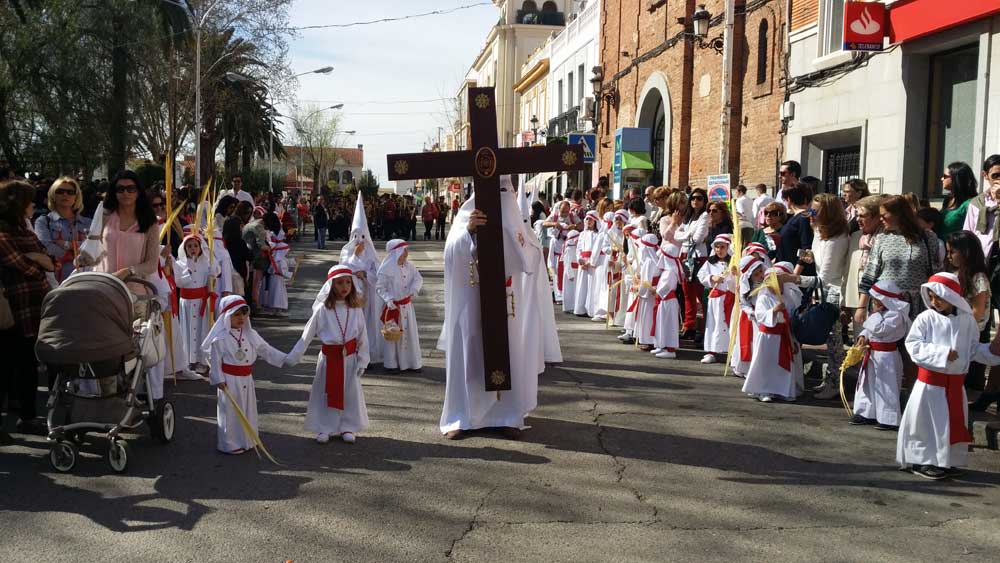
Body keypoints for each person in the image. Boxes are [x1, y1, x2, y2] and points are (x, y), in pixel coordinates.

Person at [438, 176, 546, 440]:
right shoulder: (466, 215)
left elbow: (532, 261)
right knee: (470, 354)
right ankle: (463, 416)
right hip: (472, 297)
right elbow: (451, 255)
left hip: (507, 300)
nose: (502, 197)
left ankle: (508, 416)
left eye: (505, 191)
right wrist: (469, 232)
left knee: (507, 353)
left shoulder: (516, 220)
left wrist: (514, 234)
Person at [899, 272, 1000, 480]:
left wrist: (992, 351)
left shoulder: (967, 322)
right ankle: (923, 460)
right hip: (930, 386)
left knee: (950, 423)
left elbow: (972, 350)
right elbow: (913, 345)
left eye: (939, 297)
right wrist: (942, 353)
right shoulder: (925, 318)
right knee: (926, 424)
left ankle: (947, 461)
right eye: (931, 297)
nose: (934, 302)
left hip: (954, 386)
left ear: (952, 297)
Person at [289, 265, 370, 444]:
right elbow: (307, 334)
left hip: (349, 358)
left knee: (349, 392)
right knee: (326, 392)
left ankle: (347, 426)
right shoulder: (323, 310)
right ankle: (325, 426)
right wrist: (294, 356)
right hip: (329, 358)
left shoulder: (355, 309)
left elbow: (363, 335)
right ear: (331, 285)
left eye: (348, 282)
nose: (345, 286)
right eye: (340, 282)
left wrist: (363, 359)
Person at [0, 179, 54, 441]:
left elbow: (50, 263)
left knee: (27, 364)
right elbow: (28, 266)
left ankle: (29, 417)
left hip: (33, 304)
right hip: (11, 308)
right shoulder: (3, 233)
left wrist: (36, 259)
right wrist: (35, 259)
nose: (34, 204)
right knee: (8, 366)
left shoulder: (27, 231)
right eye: (30, 200)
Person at [203, 295, 289, 454]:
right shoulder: (220, 338)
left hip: (247, 379)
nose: (241, 317)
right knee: (230, 412)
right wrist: (219, 379)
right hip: (229, 380)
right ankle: (229, 443)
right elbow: (215, 361)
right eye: (236, 314)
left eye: (243, 313)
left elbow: (265, 349)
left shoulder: (250, 334)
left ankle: (247, 439)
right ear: (227, 316)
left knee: (247, 409)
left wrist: (285, 359)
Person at [796, 193, 851, 400]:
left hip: (832, 295)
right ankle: (830, 379)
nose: (810, 214)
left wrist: (794, 280)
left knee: (835, 343)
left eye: (815, 211)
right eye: (811, 209)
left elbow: (826, 277)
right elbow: (819, 264)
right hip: (821, 292)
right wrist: (809, 257)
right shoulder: (819, 232)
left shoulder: (837, 239)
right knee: (830, 341)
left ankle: (837, 382)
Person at [857, 195, 943, 325]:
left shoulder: (928, 238)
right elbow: (870, 274)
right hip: (884, 306)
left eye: (884, 215)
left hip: (916, 306)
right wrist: (861, 307)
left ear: (898, 214)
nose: (880, 219)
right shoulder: (881, 238)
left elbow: (935, 273)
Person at [78, 170, 160, 284]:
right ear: (114, 192)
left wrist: (128, 271)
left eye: (131, 189)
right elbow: (92, 252)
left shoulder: (150, 222)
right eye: (120, 189)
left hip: (134, 291)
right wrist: (84, 258)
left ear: (138, 192)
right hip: (103, 286)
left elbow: (152, 264)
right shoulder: (103, 216)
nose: (126, 193)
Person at [851, 280, 910, 429]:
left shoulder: (896, 315)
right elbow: (869, 330)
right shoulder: (878, 314)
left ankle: (888, 418)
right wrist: (863, 336)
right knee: (867, 383)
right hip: (872, 355)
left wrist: (873, 316)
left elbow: (880, 329)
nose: (874, 302)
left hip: (887, 356)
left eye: (877, 299)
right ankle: (866, 412)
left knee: (886, 386)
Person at [742, 262, 801, 402]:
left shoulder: (787, 298)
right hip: (767, 338)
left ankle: (782, 390)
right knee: (766, 363)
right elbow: (760, 315)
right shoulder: (763, 298)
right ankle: (764, 390)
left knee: (781, 365)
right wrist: (773, 311)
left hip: (782, 336)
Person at [376, 239, 423, 373]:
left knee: (409, 334)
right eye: (404, 251)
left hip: (407, 306)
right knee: (393, 335)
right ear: (396, 252)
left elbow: (418, 278)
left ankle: (411, 362)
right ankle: (391, 364)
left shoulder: (409, 266)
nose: (407, 253)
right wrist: (389, 300)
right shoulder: (386, 269)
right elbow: (380, 287)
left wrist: (414, 289)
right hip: (393, 307)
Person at [175, 233, 219, 374]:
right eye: (189, 246)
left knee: (202, 330)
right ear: (184, 248)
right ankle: (188, 361)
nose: (193, 249)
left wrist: (212, 273)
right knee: (186, 330)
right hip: (186, 303)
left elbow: (215, 273)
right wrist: (188, 270)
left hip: (201, 302)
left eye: (195, 245)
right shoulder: (180, 263)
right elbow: (179, 282)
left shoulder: (207, 261)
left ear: (200, 247)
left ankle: (202, 360)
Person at [34, 177, 91, 283]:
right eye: (60, 191)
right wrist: (74, 256)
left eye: (70, 192)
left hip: (86, 280)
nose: (65, 195)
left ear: (76, 197)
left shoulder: (89, 222)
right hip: (56, 282)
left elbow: (93, 247)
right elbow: (45, 246)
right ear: (53, 195)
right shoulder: (43, 221)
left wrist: (66, 244)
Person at [675, 188, 709, 340]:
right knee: (687, 292)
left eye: (700, 198)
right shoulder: (688, 217)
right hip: (684, 255)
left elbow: (698, 238)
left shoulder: (704, 216)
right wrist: (687, 235)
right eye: (693, 198)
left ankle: (703, 328)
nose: (696, 201)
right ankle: (689, 326)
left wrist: (686, 235)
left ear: (704, 201)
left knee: (700, 293)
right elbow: (677, 235)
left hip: (697, 257)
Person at [698, 234, 734, 364]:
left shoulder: (734, 263)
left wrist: (734, 274)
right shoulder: (710, 262)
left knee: (728, 324)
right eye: (717, 247)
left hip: (729, 298)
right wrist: (712, 278)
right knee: (713, 324)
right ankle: (711, 351)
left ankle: (731, 351)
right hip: (716, 299)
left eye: (722, 247)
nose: (719, 250)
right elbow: (701, 275)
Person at [729, 254, 765, 378]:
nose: (760, 275)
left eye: (761, 271)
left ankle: (756, 369)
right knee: (746, 343)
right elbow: (743, 303)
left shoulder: (765, 285)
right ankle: (744, 368)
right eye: (756, 274)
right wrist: (752, 312)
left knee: (757, 345)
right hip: (751, 318)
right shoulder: (745, 288)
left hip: (762, 319)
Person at [652, 242, 683, 359]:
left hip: (668, 301)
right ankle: (662, 344)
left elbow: (665, 287)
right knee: (662, 323)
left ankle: (670, 349)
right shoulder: (667, 271)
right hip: (664, 301)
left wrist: (655, 290)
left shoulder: (670, 272)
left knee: (668, 324)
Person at [776, 184, 813, 273]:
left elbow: (806, 248)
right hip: (787, 268)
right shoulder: (795, 217)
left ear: (788, 199)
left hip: (797, 273)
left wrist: (795, 274)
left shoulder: (804, 217)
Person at [634, 233, 661, 352]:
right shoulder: (654, 260)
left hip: (648, 295)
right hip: (651, 293)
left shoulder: (649, 262)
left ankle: (648, 340)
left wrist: (638, 289)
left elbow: (646, 281)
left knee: (647, 317)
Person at [938, 162, 977, 238]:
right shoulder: (948, 199)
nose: (942, 179)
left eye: (945, 176)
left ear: (956, 178)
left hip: (957, 247)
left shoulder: (969, 204)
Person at [574, 211, 600, 317]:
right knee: (582, 285)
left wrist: (590, 262)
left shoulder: (597, 234)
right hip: (583, 262)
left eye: (591, 219)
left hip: (592, 262)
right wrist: (580, 259)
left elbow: (596, 249)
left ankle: (590, 309)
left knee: (591, 285)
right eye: (587, 219)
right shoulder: (582, 234)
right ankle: (580, 308)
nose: (589, 221)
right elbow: (579, 248)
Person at [561, 230, 580, 314]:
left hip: (576, 271)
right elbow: (567, 263)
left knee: (574, 290)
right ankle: (569, 306)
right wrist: (570, 274)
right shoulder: (569, 249)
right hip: (571, 272)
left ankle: (573, 306)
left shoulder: (575, 248)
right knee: (569, 290)